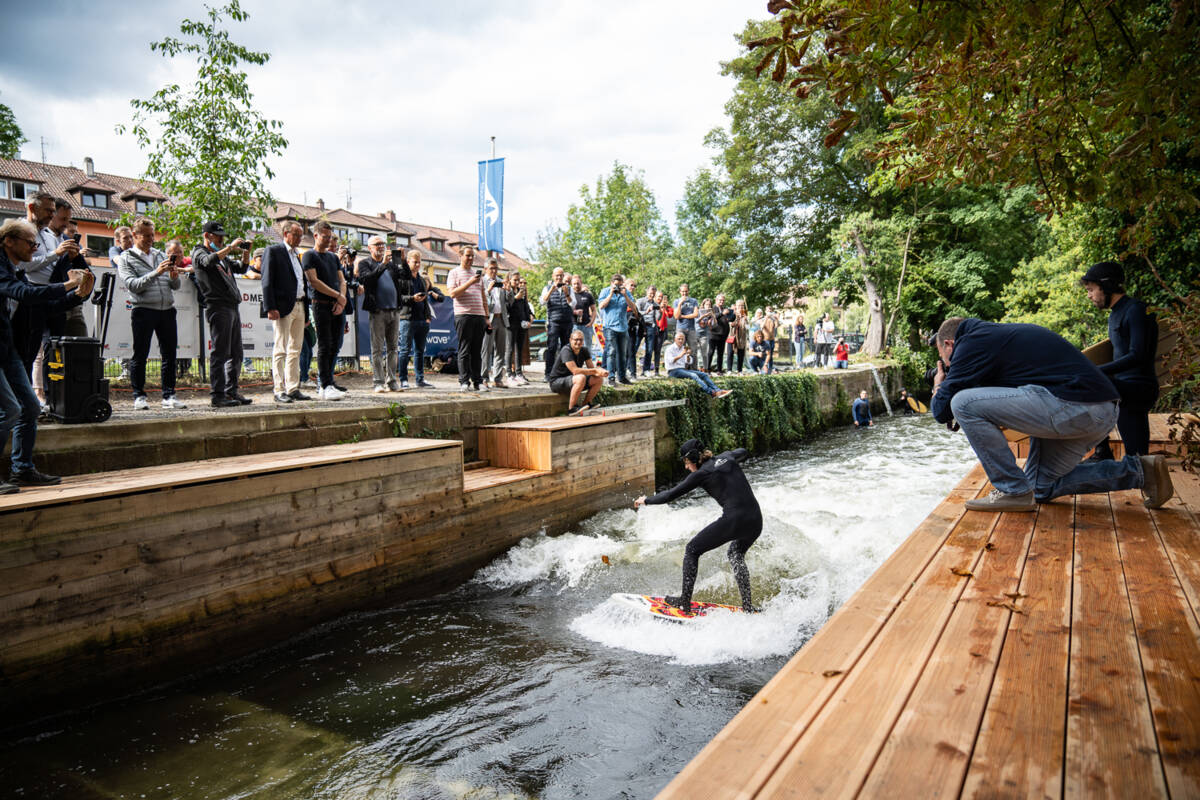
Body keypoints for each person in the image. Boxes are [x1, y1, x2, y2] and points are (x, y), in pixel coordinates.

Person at [931, 316, 1174, 511]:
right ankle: (1141, 472)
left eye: (947, 361)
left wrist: (940, 385)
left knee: (962, 402)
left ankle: (1012, 490)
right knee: (1040, 488)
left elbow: (941, 410)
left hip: (1075, 407)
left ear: (949, 344)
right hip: (1096, 409)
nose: (951, 367)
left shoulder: (972, 342)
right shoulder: (995, 338)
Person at [0, 219, 92, 490]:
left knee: (29, 407)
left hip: (7, 350)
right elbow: (25, 294)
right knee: (10, 409)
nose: (35, 248)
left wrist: (77, 295)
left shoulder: (13, 270)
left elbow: (39, 305)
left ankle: (23, 469)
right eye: (31, 243)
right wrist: (67, 285)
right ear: (9, 241)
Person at [634, 439, 762, 613]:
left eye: (686, 462)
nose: (686, 467)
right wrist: (727, 458)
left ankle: (684, 601)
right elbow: (743, 450)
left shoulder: (701, 474)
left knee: (692, 550)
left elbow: (670, 495)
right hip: (756, 520)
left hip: (735, 519)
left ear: (693, 458)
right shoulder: (727, 457)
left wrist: (646, 501)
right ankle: (747, 605)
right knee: (735, 553)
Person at [1081, 261, 1159, 459]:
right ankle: (1105, 452)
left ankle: (1102, 452)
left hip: (1138, 388)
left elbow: (1138, 355)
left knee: (1086, 383)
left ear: (1106, 286)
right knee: (1138, 458)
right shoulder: (1115, 314)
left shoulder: (1136, 310)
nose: (1089, 295)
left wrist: (1097, 372)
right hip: (1123, 389)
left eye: (1091, 289)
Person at [118, 217, 186, 411]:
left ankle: (169, 395)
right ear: (135, 235)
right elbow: (133, 285)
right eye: (146, 236)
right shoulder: (126, 257)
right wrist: (156, 272)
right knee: (140, 354)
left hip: (167, 310)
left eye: (152, 235)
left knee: (170, 355)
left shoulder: (159, 254)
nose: (151, 239)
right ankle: (139, 395)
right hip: (143, 310)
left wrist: (173, 277)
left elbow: (175, 285)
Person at [192, 221, 252, 407]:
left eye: (223, 237)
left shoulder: (222, 257)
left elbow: (241, 268)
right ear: (207, 235)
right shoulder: (199, 252)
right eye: (218, 236)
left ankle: (231, 391)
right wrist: (229, 247)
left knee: (236, 353)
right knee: (220, 353)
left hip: (232, 306)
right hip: (217, 307)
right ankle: (217, 396)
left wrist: (245, 252)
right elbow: (208, 262)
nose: (222, 239)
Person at [261, 221, 310, 404]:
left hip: (299, 305)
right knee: (280, 348)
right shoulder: (274, 251)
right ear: (286, 234)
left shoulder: (297, 255)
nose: (299, 238)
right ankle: (279, 389)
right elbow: (267, 280)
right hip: (282, 306)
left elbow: (301, 282)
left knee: (295, 349)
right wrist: (270, 306)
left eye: (301, 235)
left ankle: (292, 387)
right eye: (296, 234)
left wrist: (305, 308)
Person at [301, 222, 348, 401]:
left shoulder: (333, 257)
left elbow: (342, 280)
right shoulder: (309, 255)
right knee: (325, 344)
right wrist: (338, 296)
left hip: (337, 305)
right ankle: (325, 384)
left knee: (335, 346)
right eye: (325, 237)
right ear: (316, 236)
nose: (328, 240)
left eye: (330, 237)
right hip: (320, 304)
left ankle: (328, 382)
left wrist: (341, 300)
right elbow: (314, 281)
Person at [356, 237, 405, 392]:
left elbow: (406, 277)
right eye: (377, 244)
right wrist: (382, 265)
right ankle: (378, 382)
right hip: (378, 311)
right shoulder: (365, 263)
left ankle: (391, 381)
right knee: (377, 349)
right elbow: (367, 280)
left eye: (383, 244)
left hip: (394, 310)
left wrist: (402, 261)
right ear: (369, 248)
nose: (381, 247)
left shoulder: (391, 265)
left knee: (393, 348)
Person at [397, 250, 444, 389]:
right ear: (408, 261)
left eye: (419, 262)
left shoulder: (422, 280)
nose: (417, 265)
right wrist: (412, 298)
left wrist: (427, 316)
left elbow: (428, 301)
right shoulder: (402, 278)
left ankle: (420, 379)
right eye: (414, 262)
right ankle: (403, 380)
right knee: (405, 350)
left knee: (420, 351)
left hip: (422, 320)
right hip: (407, 319)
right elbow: (398, 299)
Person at [447, 245, 489, 392]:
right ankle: (464, 381)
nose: (471, 258)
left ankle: (478, 381)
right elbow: (452, 294)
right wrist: (470, 282)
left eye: (473, 256)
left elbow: (483, 297)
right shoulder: (454, 273)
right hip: (463, 315)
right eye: (468, 255)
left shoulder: (479, 276)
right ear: (460, 256)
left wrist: (487, 316)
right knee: (464, 350)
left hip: (479, 316)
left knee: (477, 351)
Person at [548, 329, 606, 415]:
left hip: (573, 380)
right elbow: (575, 371)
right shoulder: (566, 350)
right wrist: (595, 370)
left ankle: (586, 404)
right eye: (576, 340)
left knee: (598, 379)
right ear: (570, 340)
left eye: (581, 340)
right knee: (580, 377)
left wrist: (601, 372)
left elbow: (592, 370)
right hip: (557, 382)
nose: (578, 342)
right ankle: (571, 409)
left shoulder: (584, 350)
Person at [665, 331, 731, 398]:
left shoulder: (683, 348)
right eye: (679, 339)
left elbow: (689, 362)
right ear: (675, 340)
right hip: (673, 371)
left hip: (682, 370)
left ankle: (718, 390)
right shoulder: (670, 349)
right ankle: (712, 393)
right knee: (694, 375)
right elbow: (671, 361)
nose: (681, 340)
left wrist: (687, 356)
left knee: (704, 374)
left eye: (682, 339)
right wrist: (682, 354)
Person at [597, 273, 637, 385]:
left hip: (623, 327)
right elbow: (601, 306)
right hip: (609, 327)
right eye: (616, 285)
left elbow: (634, 308)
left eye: (620, 285)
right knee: (611, 352)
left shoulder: (626, 292)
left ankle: (622, 377)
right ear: (611, 284)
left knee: (622, 353)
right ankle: (611, 377)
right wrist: (610, 294)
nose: (618, 287)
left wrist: (625, 296)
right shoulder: (605, 291)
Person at [540, 267, 574, 382]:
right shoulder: (547, 288)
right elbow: (542, 302)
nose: (559, 277)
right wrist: (551, 291)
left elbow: (573, 304)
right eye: (557, 275)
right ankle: (548, 373)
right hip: (553, 322)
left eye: (561, 275)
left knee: (566, 348)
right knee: (551, 348)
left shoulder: (569, 289)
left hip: (567, 322)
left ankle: (565, 373)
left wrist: (567, 294)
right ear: (553, 276)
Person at [480, 258, 509, 389]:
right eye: (491, 268)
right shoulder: (482, 281)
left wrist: (508, 291)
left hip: (501, 319)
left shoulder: (500, 281)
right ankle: (484, 378)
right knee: (486, 350)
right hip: (488, 319)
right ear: (486, 269)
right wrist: (488, 290)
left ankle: (497, 379)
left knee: (500, 351)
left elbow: (509, 302)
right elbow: (480, 298)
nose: (494, 271)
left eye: (496, 268)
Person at [505, 271, 533, 386]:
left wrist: (529, 318)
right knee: (510, 348)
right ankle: (509, 373)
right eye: (515, 280)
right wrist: (516, 298)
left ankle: (518, 373)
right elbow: (506, 307)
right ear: (510, 280)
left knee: (519, 349)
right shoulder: (507, 291)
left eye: (518, 280)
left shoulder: (522, 291)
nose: (517, 282)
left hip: (521, 323)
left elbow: (525, 306)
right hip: (511, 323)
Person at [635, 285, 658, 376]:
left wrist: (660, 311)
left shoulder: (656, 304)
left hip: (651, 326)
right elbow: (636, 312)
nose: (651, 295)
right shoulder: (640, 301)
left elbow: (657, 318)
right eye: (650, 293)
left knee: (649, 349)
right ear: (646, 292)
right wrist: (646, 311)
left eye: (653, 294)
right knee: (635, 346)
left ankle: (646, 369)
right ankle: (629, 368)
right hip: (641, 325)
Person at [707, 294, 734, 373]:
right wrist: (722, 313)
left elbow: (731, 319)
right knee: (711, 352)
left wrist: (734, 313)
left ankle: (719, 370)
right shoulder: (712, 308)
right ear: (716, 300)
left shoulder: (726, 309)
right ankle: (707, 369)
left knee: (720, 353)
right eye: (720, 300)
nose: (722, 302)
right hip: (713, 334)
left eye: (723, 300)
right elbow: (712, 317)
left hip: (723, 334)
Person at [674, 283, 700, 362]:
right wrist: (680, 304)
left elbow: (696, 314)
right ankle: (681, 368)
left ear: (688, 291)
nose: (684, 293)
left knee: (693, 350)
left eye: (686, 291)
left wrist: (683, 316)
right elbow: (676, 316)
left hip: (691, 329)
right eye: (683, 291)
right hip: (680, 328)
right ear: (680, 292)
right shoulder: (676, 301)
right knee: (681, 350)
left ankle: (694, 369)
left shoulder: (694, 301)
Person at [570, 275, 595, 351]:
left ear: (581, 283)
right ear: (571, 284)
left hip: (586, 325)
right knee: (574, 347)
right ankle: (576, 363)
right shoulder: (569, 295)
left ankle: (588, 362)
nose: (576, 285)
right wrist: (575, 312)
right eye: (574, 284)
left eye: (578, 283)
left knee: (588, 347)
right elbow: (566, 310)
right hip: (574, 325)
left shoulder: (588, 295)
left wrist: (591, 322)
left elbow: (594, 310)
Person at [727, 299, 749, 373]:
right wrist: (732, 323)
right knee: (730, 352)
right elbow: (728, 322)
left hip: (741, 337)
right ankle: (729, 370)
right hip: (732, 335)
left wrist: (745, 319)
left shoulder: (745, 315)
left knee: (741, 353)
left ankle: (739, 370)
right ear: (736, 306)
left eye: (742, 305)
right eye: (739, 305)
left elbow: (748, 327)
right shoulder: (732, 313)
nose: (740, 307)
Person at [696, 298, 714, 374]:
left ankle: (705, 369)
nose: (708, 306)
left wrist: (713, 316)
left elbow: (713, 325)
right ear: (703, 305)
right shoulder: (699, 311)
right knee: (695, 352)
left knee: (704, 353)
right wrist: (704, 316)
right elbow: (696, 321)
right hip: (696, 333)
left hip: (704, 335)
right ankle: (696, 368)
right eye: (706, 304)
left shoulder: (711, 313)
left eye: (709, 305)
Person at [760, 307, 779, 374]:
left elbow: (776, 326)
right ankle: (765, 369)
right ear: (765, 311)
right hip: (765, 339)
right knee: (766, 355)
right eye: (768, 310)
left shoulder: (773, 319)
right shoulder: (763, 319)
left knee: (771, 355)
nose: (769, 312)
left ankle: (770, 369)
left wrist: (776, 318)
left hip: (772, 339)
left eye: (770, 310)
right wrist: (766, 318)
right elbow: (761, 326)